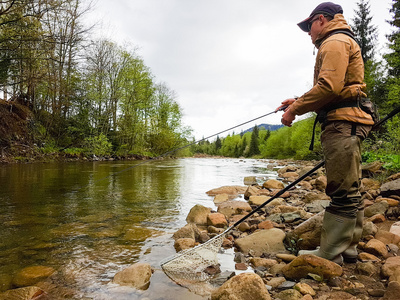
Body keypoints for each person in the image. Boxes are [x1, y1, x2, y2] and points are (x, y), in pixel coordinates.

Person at [276, 2, 374, 264]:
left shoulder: (334, 42)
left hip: (343, 123)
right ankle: (348, 249)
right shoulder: (341, 40)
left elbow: (329, 87)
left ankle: (331, 252)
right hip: (348, 120)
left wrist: (294, 110)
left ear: (321, 20)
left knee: (342, 189)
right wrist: (296, 100)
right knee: (351, 187)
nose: (308, 32)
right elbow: (337, 88)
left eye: (309, 26)